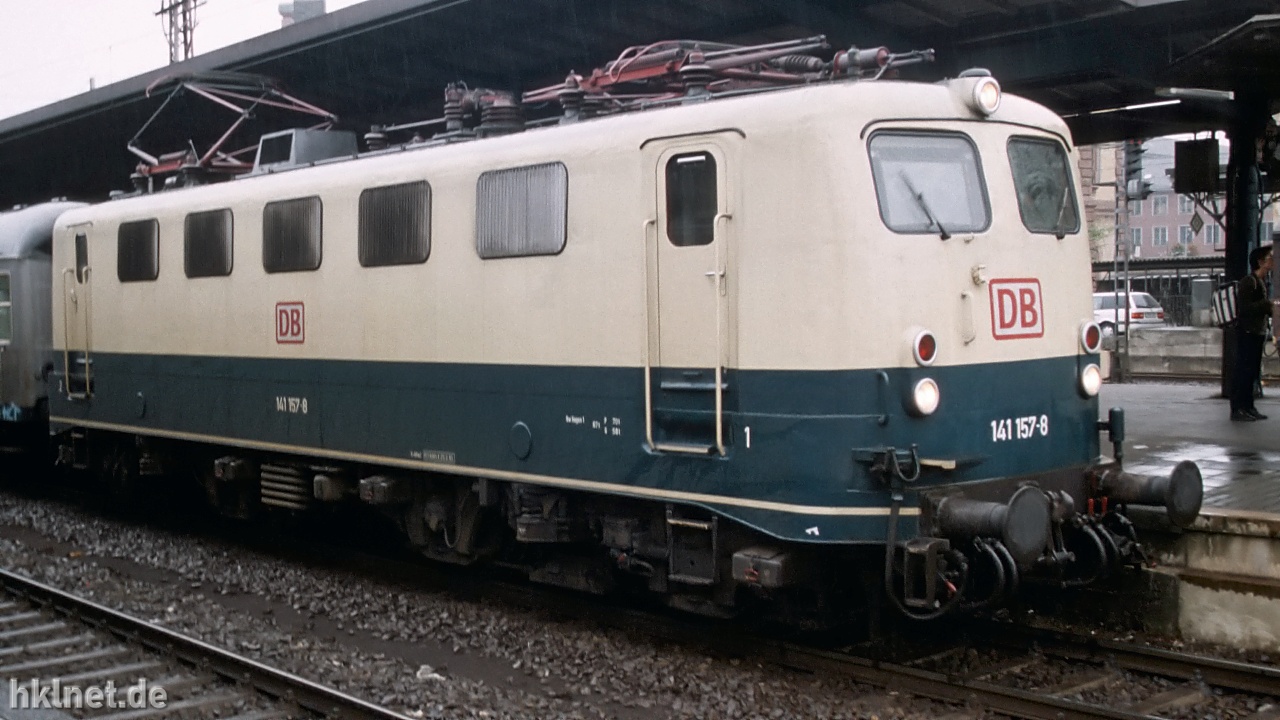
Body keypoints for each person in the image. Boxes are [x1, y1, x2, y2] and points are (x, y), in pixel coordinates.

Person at [1231, 244, 1274, 421]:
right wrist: (1267, 305)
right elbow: (1245, 308)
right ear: (1260, 262)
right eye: (1270, 257)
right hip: (1247, 332)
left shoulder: (1262, 281)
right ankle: (1238, 408)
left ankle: (1249, 406)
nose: (1273, 261)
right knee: (1244, 371)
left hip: (1257, 332)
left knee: (1252, 372)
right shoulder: (1249, 282)